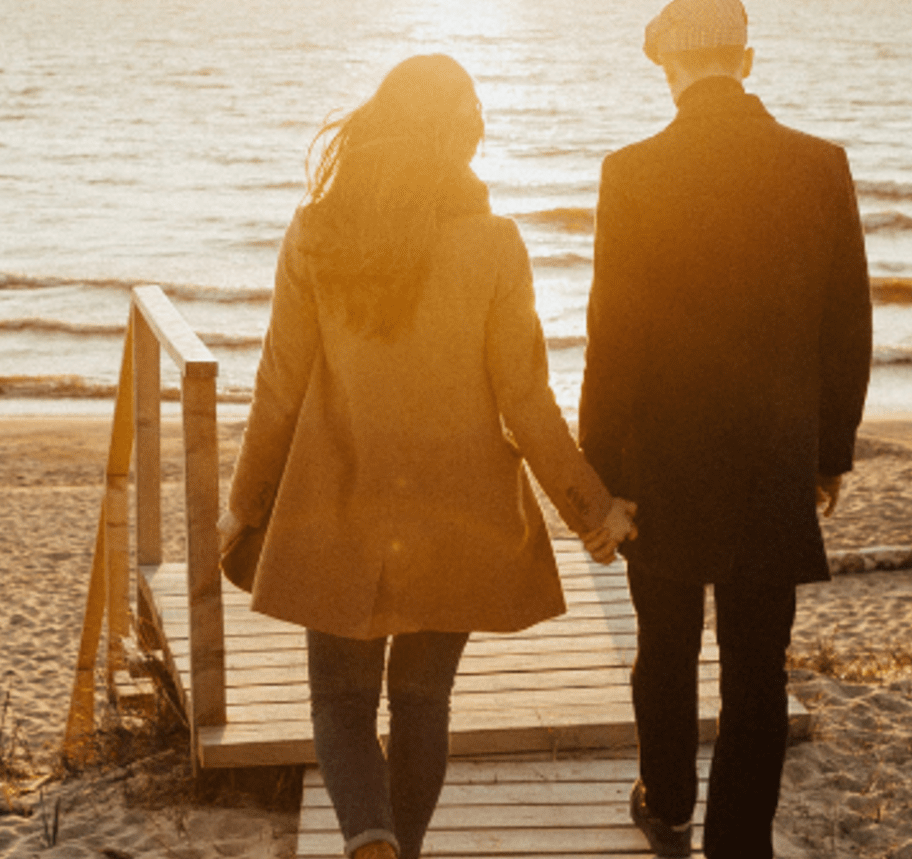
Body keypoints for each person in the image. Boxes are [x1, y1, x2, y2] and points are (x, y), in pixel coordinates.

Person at [221, 53, 636, 859]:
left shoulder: (318, 233)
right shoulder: (495, 244)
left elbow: (279, 385)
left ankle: (369, 842)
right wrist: (592, 510)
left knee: (340, 705)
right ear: (460, 139)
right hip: (458, 514)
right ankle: (397, 852)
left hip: (337, 506)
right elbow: (526, 401)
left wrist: (245, 500)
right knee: (421, 704)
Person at [579, 0, 874, 859]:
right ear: (745, 62)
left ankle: (667, 801)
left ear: (666, 68)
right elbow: (847, 324)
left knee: (662, 650)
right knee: (757, 667)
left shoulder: (629, 172)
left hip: (661, 458)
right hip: (773, 454)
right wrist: (829, 455)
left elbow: (613, 338)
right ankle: (739, 843)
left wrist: (601, 478)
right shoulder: (820, 164)